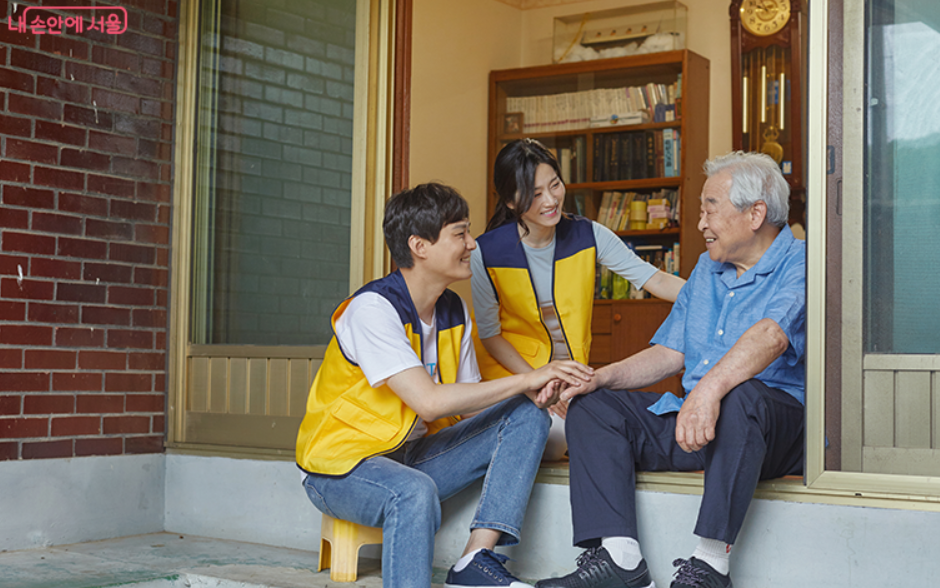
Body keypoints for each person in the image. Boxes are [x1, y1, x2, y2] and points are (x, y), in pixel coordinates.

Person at [295, 182, 594, 588]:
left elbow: (469, 409)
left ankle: (476, 557)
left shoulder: (453, 310)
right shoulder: (372, 310)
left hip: (412, 456)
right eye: (460, 233)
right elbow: (430, 402)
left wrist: (538, 398)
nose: (472, 244)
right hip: (341, 469)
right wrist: (526, 377)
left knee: (527, 415)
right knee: (412, 491)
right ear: (419, 246)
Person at [537, 152, 805, 588]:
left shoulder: (802, 262)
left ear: (756, 213)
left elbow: (772, 335)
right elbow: (669, 351)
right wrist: (598, 376)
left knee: (741, 394)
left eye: (710, 208)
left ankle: (710, 564)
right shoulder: (708, 268)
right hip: (701, 424)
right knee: (594, 405)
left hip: (769, 428)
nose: (700, 223)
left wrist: (708, 392)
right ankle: (620, 560)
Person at [471, 138, 686, 461]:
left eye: (554, 185)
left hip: (570, 376)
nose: (550, 200)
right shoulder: (484, 252)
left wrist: (715, 298)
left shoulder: (589, 234)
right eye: (535, 193)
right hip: (511, 373)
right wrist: (533, 381)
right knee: (551, 439)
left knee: (590, 430)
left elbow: (653, 278)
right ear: (512, 201)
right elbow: (490, 336)